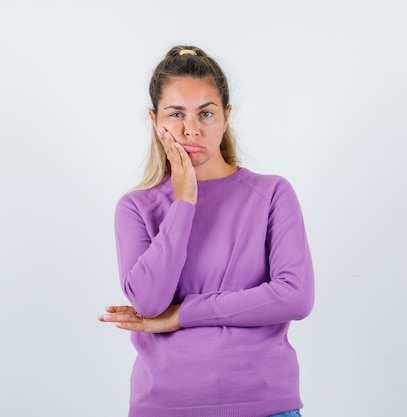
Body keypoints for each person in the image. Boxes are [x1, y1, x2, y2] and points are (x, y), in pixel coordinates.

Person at [98, 45, 314, 417]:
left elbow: (295, 297)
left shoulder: (272, 193)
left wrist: (182, 314)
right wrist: (184, 202)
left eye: (206, 113)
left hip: (264, 405)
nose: (191, 129)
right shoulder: (135, 208)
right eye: (176, 114)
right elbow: (150, 303)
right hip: (165, 406)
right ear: (154, 120)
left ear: (226, 117)